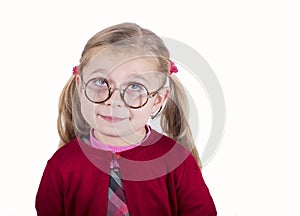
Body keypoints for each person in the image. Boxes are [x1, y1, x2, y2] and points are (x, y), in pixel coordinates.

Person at [35, 22, 217, 216]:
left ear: (157, 100)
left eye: (135, 87)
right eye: (100, 82)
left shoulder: (177, 162)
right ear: (80, 85)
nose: (114, 102)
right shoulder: (61, 165)